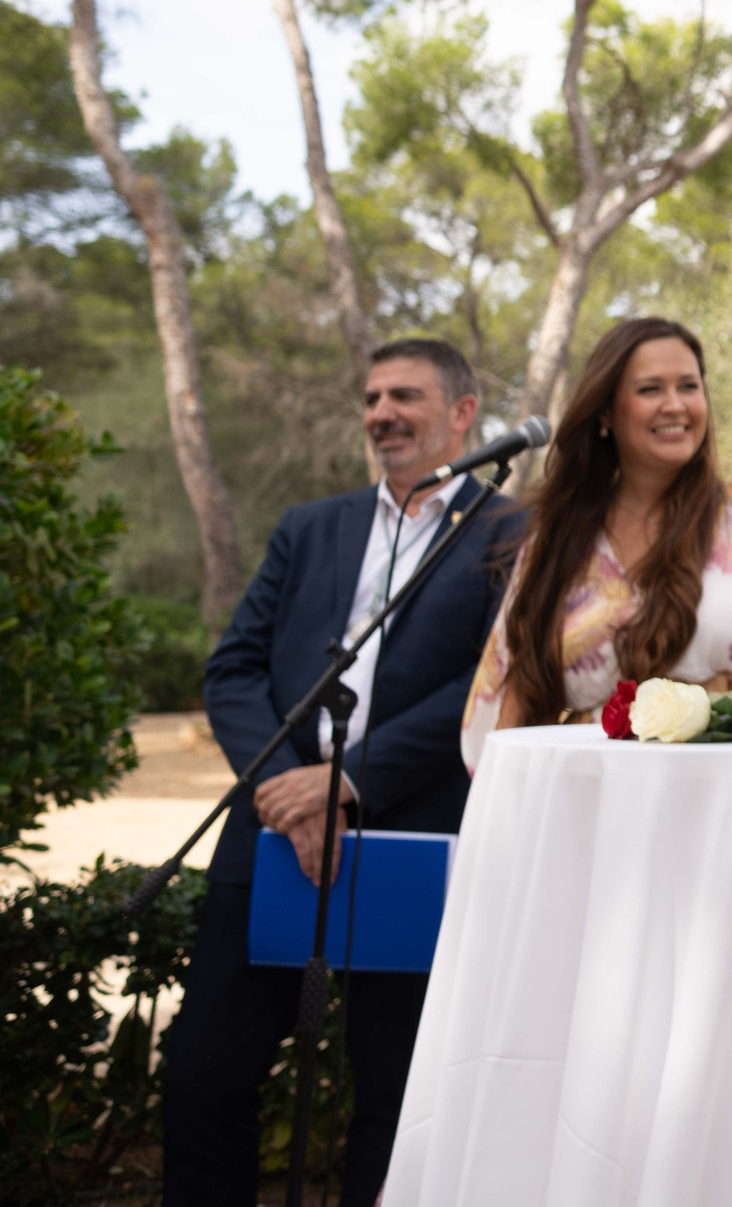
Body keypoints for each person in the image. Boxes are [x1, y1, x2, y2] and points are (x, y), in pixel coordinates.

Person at [164, 338, 524, 1207]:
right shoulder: (309, 526)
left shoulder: (514, 531)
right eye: (371, 398)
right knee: (203, 1074)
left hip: (413, 835)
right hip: (274, 835)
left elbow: (495, 681)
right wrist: (289, 790)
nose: (381, 413)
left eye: (404, 395)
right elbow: (234, 670)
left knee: (395, 1097)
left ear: (463, 413)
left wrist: (348, 780)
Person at [460, 316, 732, 766]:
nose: (675, 405)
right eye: (650, 389)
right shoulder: (557, 540)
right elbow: (515, 694)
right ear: (604, 411)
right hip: (591, 789)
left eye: (689, 387)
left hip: (728, 786)